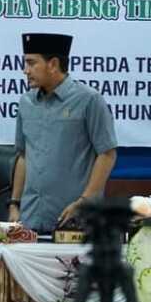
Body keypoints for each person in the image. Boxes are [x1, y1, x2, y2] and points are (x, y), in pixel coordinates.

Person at [8, 33, 118, 233]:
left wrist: (84, 201)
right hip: (30, 219)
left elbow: (107, 154)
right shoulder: (26, 102)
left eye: (32, 63)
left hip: (75, 221)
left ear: (53, 64)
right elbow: (24, 155)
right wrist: (14, 204)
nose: (26, 70)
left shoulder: (89, 100)